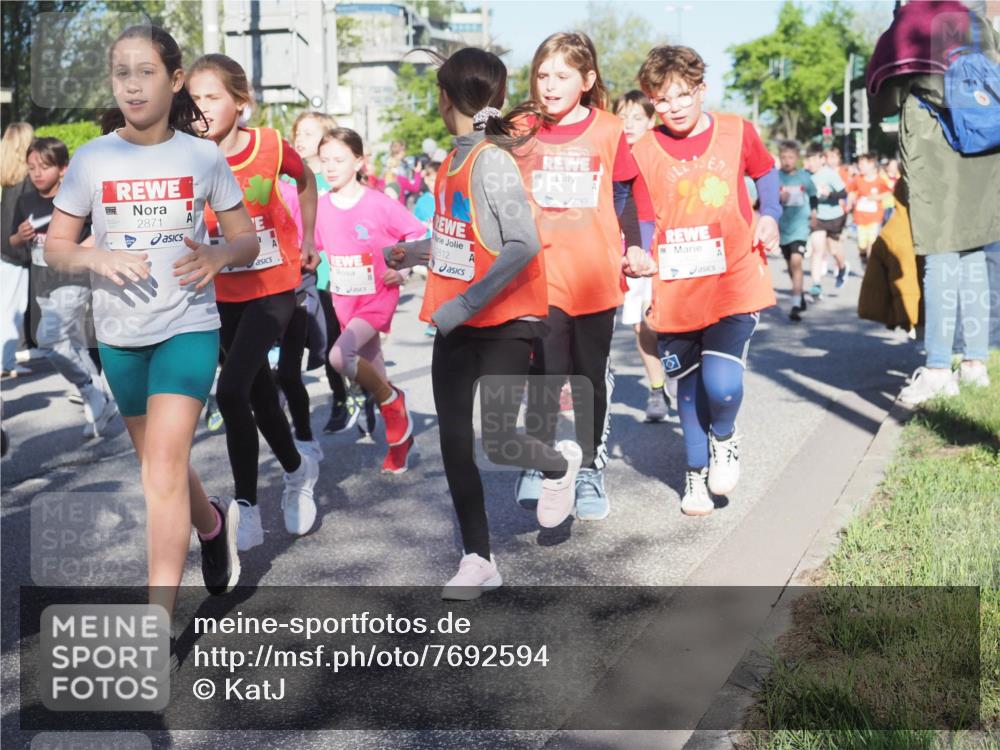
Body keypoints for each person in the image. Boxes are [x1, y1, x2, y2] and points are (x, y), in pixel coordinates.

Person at [44, 25, 259, 643]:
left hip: (187, 326)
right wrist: (93, 259)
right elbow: (57, 249)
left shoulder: (202, 156)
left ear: (175, 79)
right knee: (159, 466)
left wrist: (220, 255)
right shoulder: (93, 158)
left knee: (160, 472)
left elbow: (246, 239)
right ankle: (213, 524)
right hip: (119, 334)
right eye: (121, 73)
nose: (133, 84)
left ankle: (156, 626)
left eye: (145, 71)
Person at [388, 47, 578, 598]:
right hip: (457, 324)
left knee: (497, 440)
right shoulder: (453, 160)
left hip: (503, 322)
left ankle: (558, 464)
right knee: (453, 442)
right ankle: (478, 558)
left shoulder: (491, 160)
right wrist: (417, 251)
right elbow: (465, 240)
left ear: (446, 97)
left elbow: (522, 245)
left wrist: (465, 305)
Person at [630, 45, 780, 516]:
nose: (672, 107)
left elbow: (766, 171)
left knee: (722, 385)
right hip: (675, 288)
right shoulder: (643, 149)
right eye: (661, 99)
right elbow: (642, 215)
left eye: (682, 96)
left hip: (734, 278)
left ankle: (726, 436)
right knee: (689, 390)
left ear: (701, 89)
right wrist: (636, 252)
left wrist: (770, 215)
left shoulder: (737, 131)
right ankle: (694, 476)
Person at [187, 53, 321, 551]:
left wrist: (308, 237)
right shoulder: (188, 154)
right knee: (259, 394)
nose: (200, 108)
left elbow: (305, 181)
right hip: (220, 290)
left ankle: (245, 504)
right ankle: (296, 468)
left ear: (240, 103)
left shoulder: (268, 145)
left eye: (212, 97)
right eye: (193, 99)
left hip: (274, 285)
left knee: (231, 391)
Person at [513, 32, 643, 523]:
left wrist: (634, 244)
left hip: (595, 276)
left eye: (562, 76)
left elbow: (630, 190)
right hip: (538, 276)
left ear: (586, 81)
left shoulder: (608, 129)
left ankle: (587, 468)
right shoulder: (520, 127)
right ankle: (541, 462)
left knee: (589, 376)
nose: (549, 85)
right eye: (542, 75)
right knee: (543, 373)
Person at [313, 128, 426, 473]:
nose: (330, 167)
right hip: (343, 300)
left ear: (359, 161)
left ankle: (393, 401)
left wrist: (402, 271)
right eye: (325, 160)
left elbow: (418, 234)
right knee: (371, 365)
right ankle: (400, 441)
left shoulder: (377, 202)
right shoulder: (319, 207)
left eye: (339, 159)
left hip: (378, 296)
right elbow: (310, 248)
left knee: (338, 356)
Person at [9, 136, 119, 436]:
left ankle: (88, 390)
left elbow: (101, 230)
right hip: (43, 285)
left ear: (63, 168)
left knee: (49, 338)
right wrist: (20, 235)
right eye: (31, 167)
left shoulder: (75, 199)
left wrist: (82, 249)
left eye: (44, 167)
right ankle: (99, 399)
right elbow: (12, 242)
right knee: (69, 343)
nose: (37, 173)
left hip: (73, 279)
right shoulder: (25, 201)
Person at [614, 89, 674, 421]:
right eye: (622, 116)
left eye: (637, 117)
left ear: (652, 120)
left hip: (669, 248)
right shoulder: (611, 155)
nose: (629, 124)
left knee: (672, 320)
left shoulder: (664, 154)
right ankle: (656, 391)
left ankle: (678, 373)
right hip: (631, 251)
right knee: (642, 324)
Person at [1, 122, 35, 377]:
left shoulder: (9, 178)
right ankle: (5, 363)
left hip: (5, 250)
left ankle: (7, 360)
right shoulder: (25, 180)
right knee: (12, 309)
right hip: (14, 253)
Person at [777, 139, 817, 321]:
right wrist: (778, 197)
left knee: (796, 262)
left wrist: (814, 216)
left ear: (797, 158)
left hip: (800, 227)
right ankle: (798, 295)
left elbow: (813, 195)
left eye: (790, 157)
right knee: (790, 265)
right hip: (783, 227)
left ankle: (794, 305)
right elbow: (766, 200)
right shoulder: (776, 177)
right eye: (784, 157)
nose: (787, 161)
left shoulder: (804, 177)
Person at [804, 143, 849, 299]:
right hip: (817, 218)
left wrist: (829, 194)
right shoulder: (805, 175)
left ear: (822, 159)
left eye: (813, 159)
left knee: (834, 249)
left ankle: (842, 267)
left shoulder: (829, 174)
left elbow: (843, 193)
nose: (810, 163)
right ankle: (816, 285)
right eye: (808, 160)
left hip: (834, 216)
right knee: (817, 250)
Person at [846, 152, 893, 266]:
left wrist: (877, 197)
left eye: (862, 164)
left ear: (872, 164)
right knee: (862, 244)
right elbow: (852, 191)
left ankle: (871, 266)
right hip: (860, 217)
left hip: (875, 217)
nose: (859, 166)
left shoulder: (879, 180)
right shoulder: (858, 179)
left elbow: (888, 192)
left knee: (872, 242)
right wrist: (850, 202)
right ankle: (863, 258)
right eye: (859, 164)